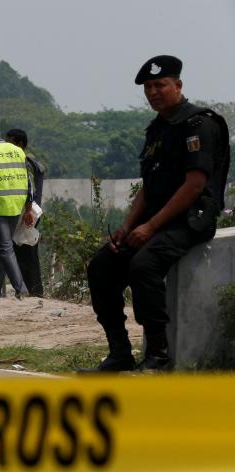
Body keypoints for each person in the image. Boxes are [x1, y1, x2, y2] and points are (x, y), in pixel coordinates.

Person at [85, 55, 230, 372]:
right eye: (148, 87)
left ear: (177, 85)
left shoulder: (199, 125)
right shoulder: (158, 130)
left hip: (188, 222)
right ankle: (119, 353)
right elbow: (149, 188)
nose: (153, 92)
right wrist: (128, 226)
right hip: (155, 222)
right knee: (102, 266)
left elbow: (194, 186)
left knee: (144, 264)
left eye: (160, 85)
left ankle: (158, 356)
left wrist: (150, 227)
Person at [0, 117, 32, 299]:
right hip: (16, 204)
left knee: (4, 248)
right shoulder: (17, 151)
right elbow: (28, 181)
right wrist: (29, 207)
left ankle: (21, 288)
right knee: (2, 250)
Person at [7, 129, 45, 298]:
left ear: (19, 144)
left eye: (11, 142)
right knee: (27, 251)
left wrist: (27, 210)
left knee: (24, 252)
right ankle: (33, 289)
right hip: (31, 211)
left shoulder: (24, 162)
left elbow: (29, 188)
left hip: (27, 212)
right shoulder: (32, 161)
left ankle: (32, 290)